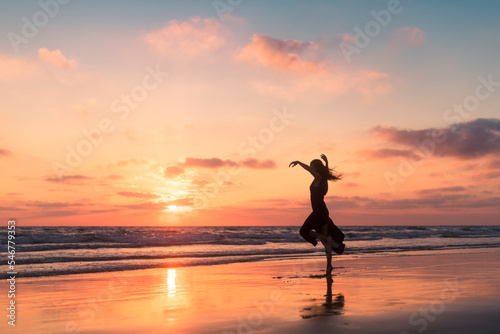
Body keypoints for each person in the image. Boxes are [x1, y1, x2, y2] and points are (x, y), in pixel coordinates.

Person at [289, 154, 345, 275]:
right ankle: (329, 266)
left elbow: (311, 171)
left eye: (312, 166)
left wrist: (299, 162)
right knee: (326, 244)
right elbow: (323, 172)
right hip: (323, 211)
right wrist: (327, 162)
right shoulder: (324, 180)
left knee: (303, 231)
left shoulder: (319, 178)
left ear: (316, 168)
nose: (311, 168)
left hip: (318, 211)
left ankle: (323, 238)